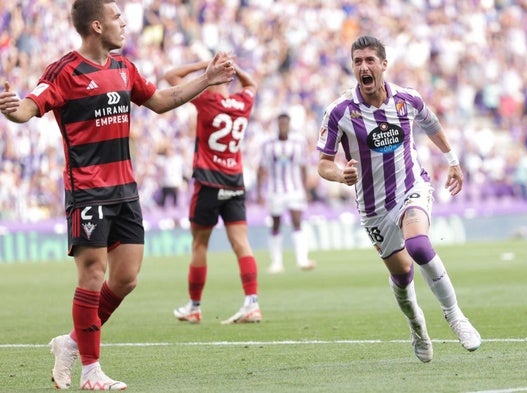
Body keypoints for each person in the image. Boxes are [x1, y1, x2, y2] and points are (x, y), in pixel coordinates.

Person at [0, 0, 235, 390]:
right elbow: (29, 106)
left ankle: (71, 343)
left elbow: (160, 102)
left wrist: (206, 79)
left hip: (125, 190)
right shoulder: (65, 71)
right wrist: (11, 110)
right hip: (87, 190)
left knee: (125, 279)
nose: (123, 23)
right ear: (96, 26)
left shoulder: (125, 70)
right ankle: (91, 371)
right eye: (116, 17)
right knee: (93, 274)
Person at [316, 35, 481, 363]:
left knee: (419, 246)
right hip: (374, 208)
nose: (364, 67)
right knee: (402, 277)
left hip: (411, 188)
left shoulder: (407, 100)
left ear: (383, 65)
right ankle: (417, 325)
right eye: (357, 62)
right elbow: (322, 163)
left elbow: (431, 124)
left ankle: (455, 316)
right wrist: (340, 174)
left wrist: (453, 162)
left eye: (369, 61)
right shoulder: (339, 112)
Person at [164, 59, 262, 325]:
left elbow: (171, 75)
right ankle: (252, 303)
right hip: (234, 182)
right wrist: (236, 67)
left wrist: (206, 65)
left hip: (208, 183)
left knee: (199, 244)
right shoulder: (243, 102)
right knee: (242, 244)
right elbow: (251, 83)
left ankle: (194, 307)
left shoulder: (205, 100)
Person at [257, 112, 315, 273]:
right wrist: (259, 192)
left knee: (297, 221)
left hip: (294, 189)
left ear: (289, 124)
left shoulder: (298, 143)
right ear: (277, 124)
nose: (283, 126)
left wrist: (305, 189)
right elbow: (261, 168)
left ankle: (302, 259)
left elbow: (303, 166)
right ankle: (276, 262)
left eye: (285, 123)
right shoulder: (268, 144)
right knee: (276, 224)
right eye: (280, 123)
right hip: (275, 190)